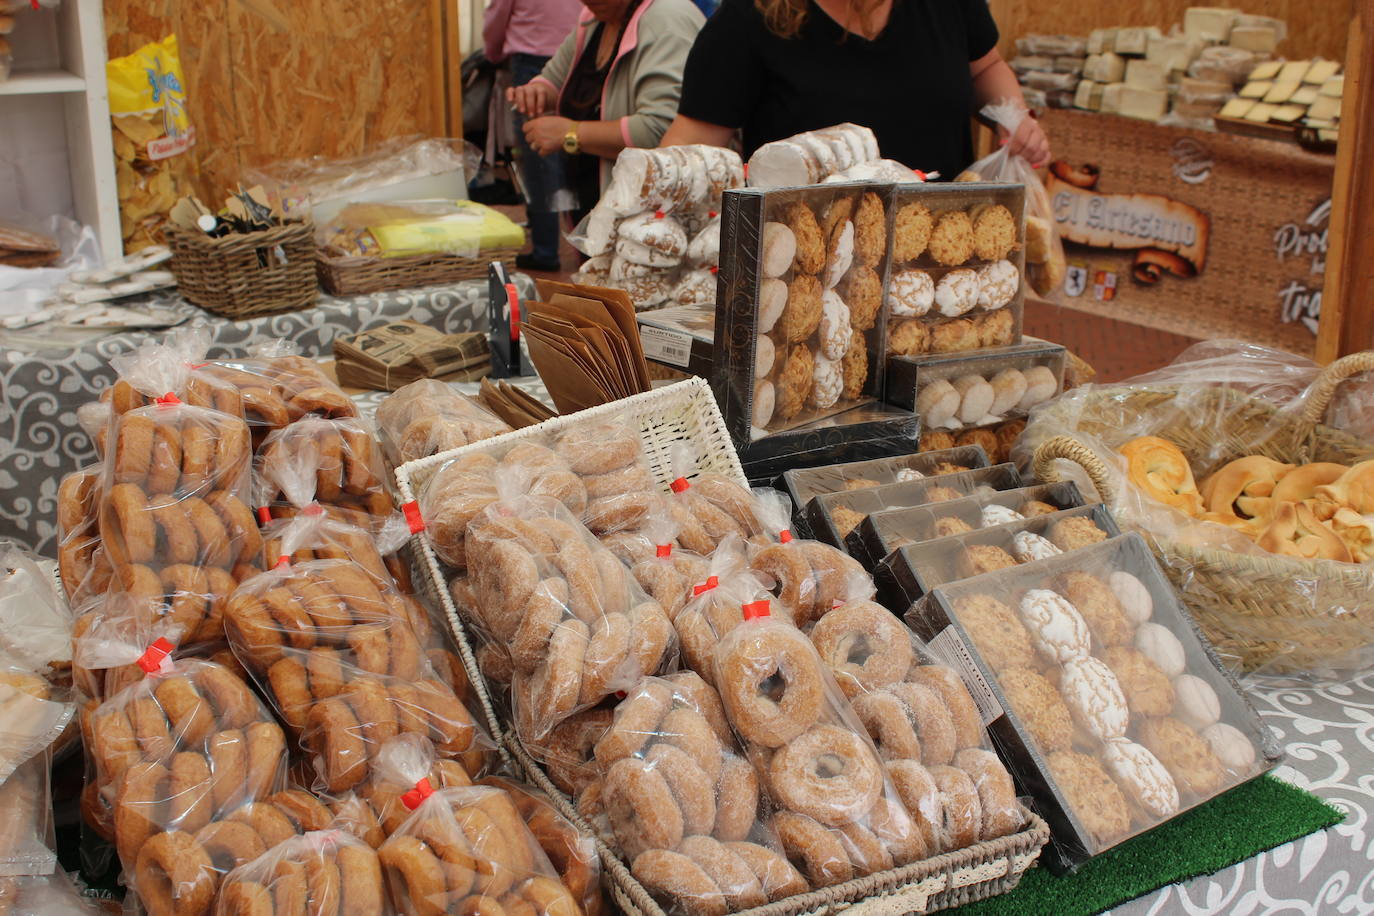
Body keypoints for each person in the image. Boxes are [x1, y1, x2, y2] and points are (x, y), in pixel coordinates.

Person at [659, 0, 1050, 180]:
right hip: (809, 277)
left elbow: (986, 67)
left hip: (941, 267)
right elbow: (693, 142)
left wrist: (1013, 116)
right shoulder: (750, 18)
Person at [508, 0, 704, 232]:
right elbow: (555, 78)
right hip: (605, 217)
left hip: (653, 227)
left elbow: (662, 132)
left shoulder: (667, 20)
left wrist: (571, 133)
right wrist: (538, 91)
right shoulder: (595, 18)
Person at [484, 0, 585, 270]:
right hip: (580, 53)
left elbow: (497, 15)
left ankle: (545, 250)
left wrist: (492, 53)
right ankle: (587, 248)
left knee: (541, 158)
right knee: (578, 150)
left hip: (533, 60)